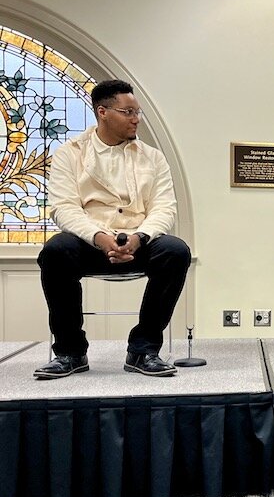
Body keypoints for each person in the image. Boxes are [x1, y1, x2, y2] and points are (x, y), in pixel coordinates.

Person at [34, 80, 191, 379]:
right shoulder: (70, 154)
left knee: (176, 250)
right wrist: (99, 238)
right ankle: (70, 352)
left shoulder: (153, 157)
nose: (136, 119)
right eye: (128, 111)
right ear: (102, 112)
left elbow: (164, 208)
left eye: (138, 112)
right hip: (88, 244)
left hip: (139, 242)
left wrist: (139, 237)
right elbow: (64, 208)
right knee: (55, 250)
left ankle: (143, 349)